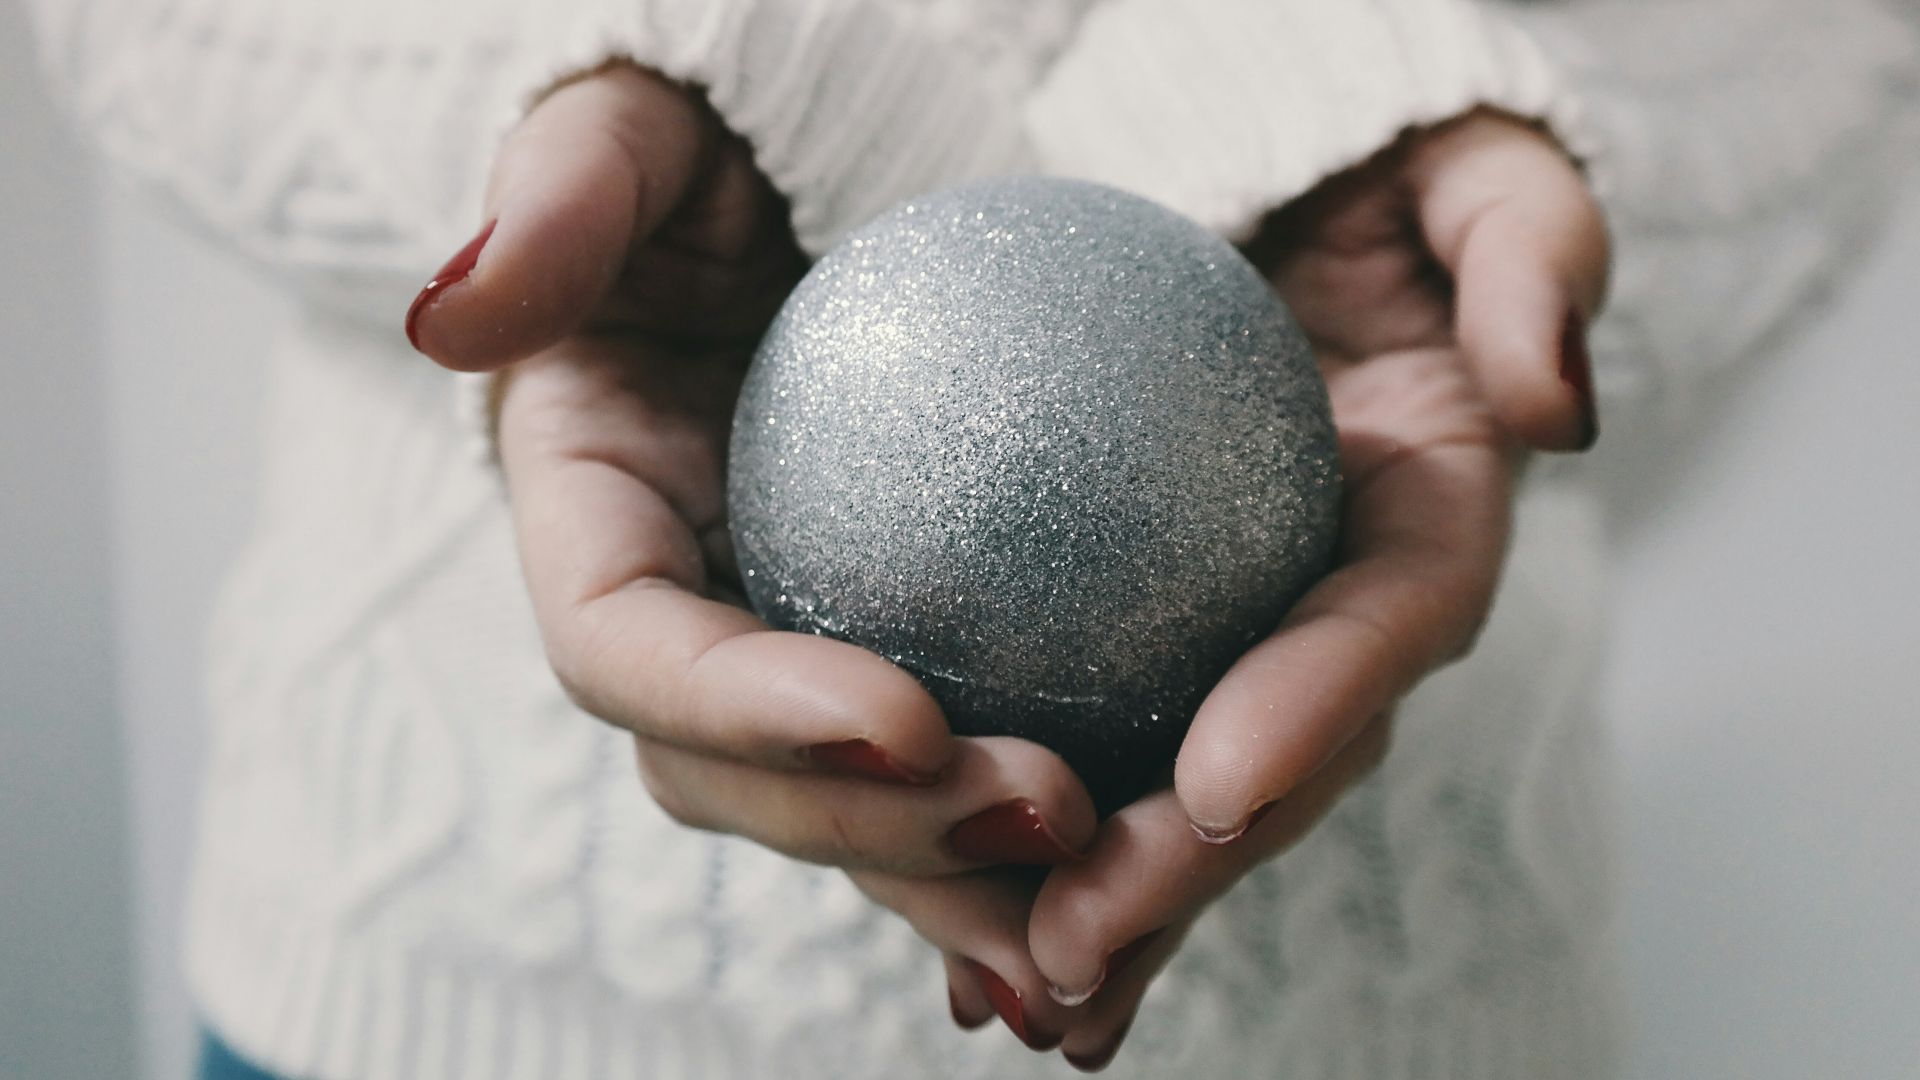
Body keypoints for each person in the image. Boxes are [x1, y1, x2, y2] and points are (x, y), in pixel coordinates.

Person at [24, 1, 1919, 1077]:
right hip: (443, 987)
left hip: (1406, 997)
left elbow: (1825, 49)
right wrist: (661, 69)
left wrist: (1364, 93)